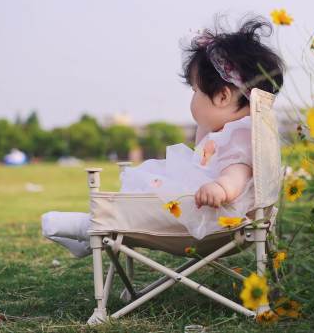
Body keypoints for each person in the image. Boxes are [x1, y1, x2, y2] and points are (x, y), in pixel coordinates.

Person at [41, 16, 284, 258]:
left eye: (195, 91)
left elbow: (238, 171)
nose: (193, 99)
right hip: (201, 205)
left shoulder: (239, 137)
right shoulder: (232, 130)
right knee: (148, 192)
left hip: (208, 214)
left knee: (152, 201)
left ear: (222, 97)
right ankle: (93, 233)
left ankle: (91, 227)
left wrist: (221, 188)